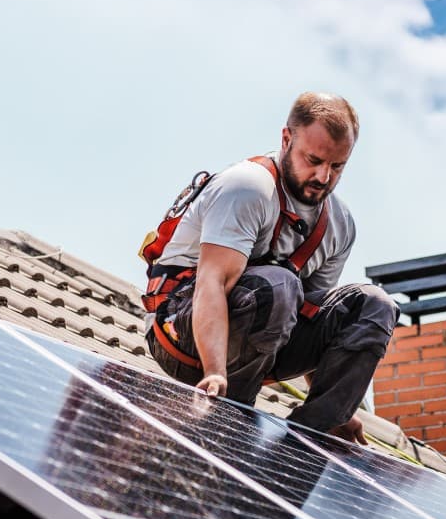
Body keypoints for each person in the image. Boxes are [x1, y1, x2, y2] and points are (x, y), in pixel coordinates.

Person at [144, 92, 399, 444]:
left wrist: (338, 404)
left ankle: (311, 437)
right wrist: (216, 373)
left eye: (337, 167)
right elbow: (212, 283)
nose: (324, 176)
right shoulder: (248, 187)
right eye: (313, 160)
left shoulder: (339, 224)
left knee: (374, 304)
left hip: (262, 339)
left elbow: (313, 317)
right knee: (280, 284)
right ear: (286, 139)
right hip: (184, 332)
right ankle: (230, 416)